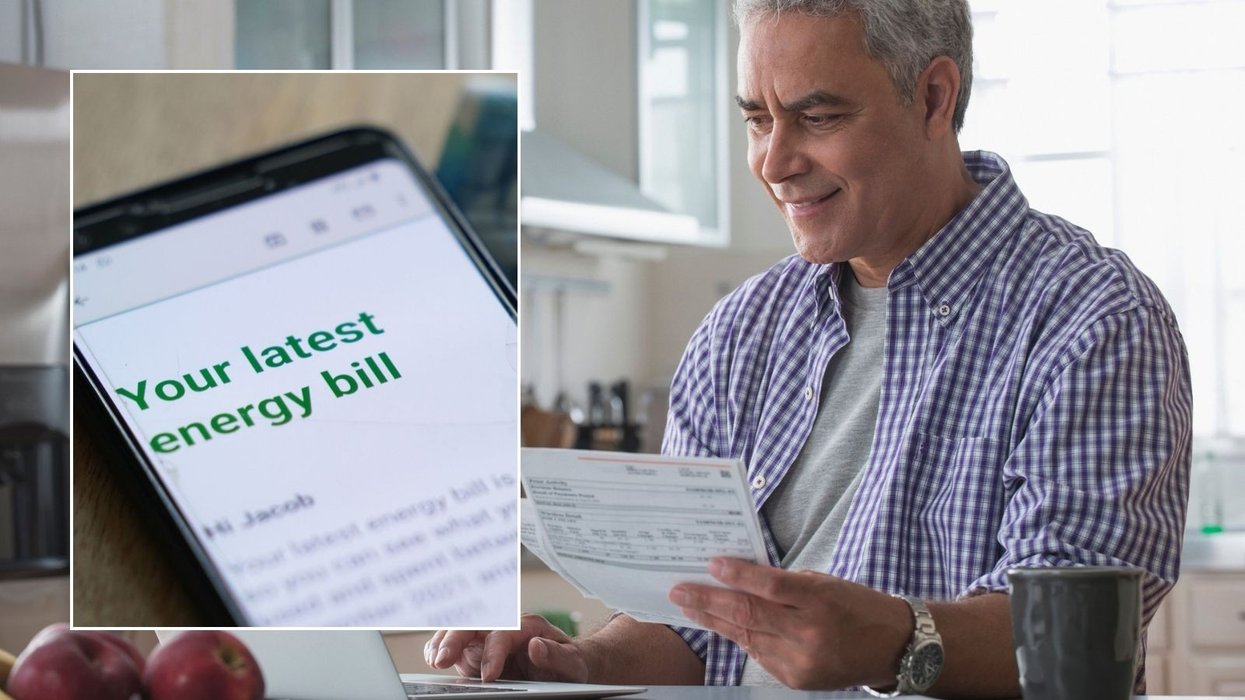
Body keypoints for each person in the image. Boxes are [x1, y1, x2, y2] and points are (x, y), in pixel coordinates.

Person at [429, 0, 1192, 696]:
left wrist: (895, 642)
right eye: (758, 120)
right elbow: (697, 623)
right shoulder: (739, 332)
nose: (772, 162)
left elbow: (1078, 644)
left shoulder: (1091, 319)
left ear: (933, 97)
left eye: (817, 118)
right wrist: (577, 664)